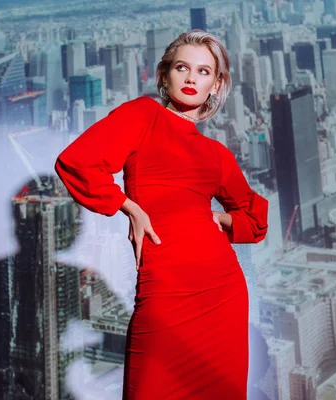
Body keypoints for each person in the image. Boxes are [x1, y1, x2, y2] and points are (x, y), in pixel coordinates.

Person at [54, 29, 269, 399]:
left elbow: (256, 219)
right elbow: (77, 163)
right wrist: (130, 207)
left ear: (216, 85)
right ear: (165, 75)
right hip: (164, 291)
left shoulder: (216, 155)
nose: (190, 78)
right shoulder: (142, 116)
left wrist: (219, 220)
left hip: (222, 296)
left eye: (203, 72)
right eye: (182, 67)